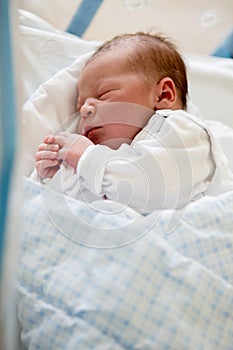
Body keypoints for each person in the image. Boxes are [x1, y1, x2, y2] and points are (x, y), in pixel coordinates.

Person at [35, 32, 233, 214]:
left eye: (104, 94)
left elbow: (150, 186)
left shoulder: (184, 131)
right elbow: (84, 212)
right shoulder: (109, 160)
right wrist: (60, 178)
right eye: (80, 108)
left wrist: (86, 157)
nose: (85, 110)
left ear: (163, 95)